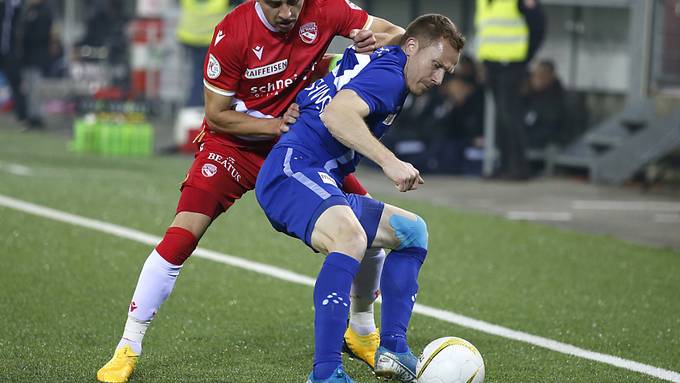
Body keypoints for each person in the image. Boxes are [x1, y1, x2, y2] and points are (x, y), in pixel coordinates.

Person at [96, 1, 405, 382]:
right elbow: (217, 114)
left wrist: (371, 40)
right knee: (182, 235)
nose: (288, 12)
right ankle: (128, 345)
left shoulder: (327, 8)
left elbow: (400, 36)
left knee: (370, 228)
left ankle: (360, 332)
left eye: (295, 2)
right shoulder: (232, 33)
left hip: (299, 147)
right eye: (277, 3)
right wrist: (275, 125)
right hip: (235, 147)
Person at [255, 14, 465, 383]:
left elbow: (383, 40)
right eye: (436, 65)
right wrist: (390, 162)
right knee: (350, 236)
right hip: (292, 173)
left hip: (317, 175)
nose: (438, 79)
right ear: (412, 48)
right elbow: (338, 114)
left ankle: (394, 350)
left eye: (446, 71)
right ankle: (325, 373)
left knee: (412, 231)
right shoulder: (391, 74)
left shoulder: (388, 54)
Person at [475, 0, 546, 179]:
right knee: (501, 118)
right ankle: (505, 166)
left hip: (512, 65)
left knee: (511, 116)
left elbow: (538, 25)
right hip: (492, 64)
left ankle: (518, 168)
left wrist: (524, 58)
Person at [176, 0, 230, 107]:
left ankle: (194, 105)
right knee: (209, 75)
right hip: (211, 41)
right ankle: (197, 105)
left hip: (189, 37)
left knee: (197, 73)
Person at [18, 0, 53, 129]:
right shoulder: (29, 10)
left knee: (35, 89)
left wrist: (25, 37)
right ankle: (31, 116)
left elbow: (41, 34)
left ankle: (36, 117)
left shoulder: (44, 11)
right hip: (28, 57)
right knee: (29, 88)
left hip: (37, 57)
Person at [522, 59, 566, 150]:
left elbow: (549, 130)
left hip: (543, 147)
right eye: (535, 75)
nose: (538, 79)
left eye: (543, 75)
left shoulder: (555, 101)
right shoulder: (526, 96)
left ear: (551, 77)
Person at [0, 0, 27, 125]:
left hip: (9, 50)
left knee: (16, 83)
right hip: (7, 49)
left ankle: (22, 116)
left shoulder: (14, 5)